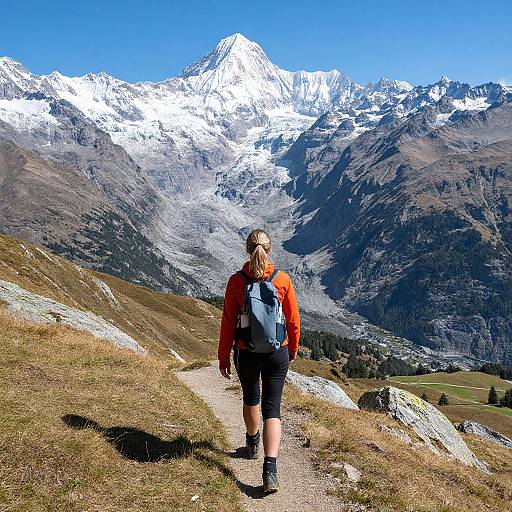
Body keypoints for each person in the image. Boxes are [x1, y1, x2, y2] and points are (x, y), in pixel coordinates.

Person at [218, 229, 300, 493]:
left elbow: (228, 322)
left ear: (247, 249)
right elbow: (293, 321)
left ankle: (252, 443)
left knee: (251, 397)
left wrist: (223, 356)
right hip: (278, 352)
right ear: (270, 249)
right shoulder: (283, 280)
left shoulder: (236, 282)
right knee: (272, 408)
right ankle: (270, 469)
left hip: (247, 351)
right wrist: (292, 349)